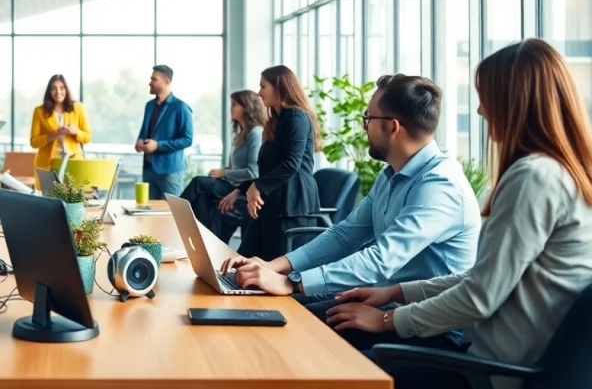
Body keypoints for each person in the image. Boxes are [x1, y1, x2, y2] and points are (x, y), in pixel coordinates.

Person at [325, 39, 592, 389]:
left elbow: (479, 297)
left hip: (489, 372)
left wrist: (386, 320)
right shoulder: (561, 173)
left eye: (486, 98)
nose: (479, 111)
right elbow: (483, 278)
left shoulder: (534, 178)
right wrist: (396, 293)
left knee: (335, 369)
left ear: (514, 102)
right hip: (493, 360)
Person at [221, 75, 481, 330]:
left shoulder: (439, 185)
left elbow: (381, 259)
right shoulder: (391, 175)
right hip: (382, 300)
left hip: (423, 323)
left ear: (392, 127)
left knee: (291, 324)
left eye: (368, 119)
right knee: (273, 309)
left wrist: (292, 282)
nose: (364, 127)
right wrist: (274, 266)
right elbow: (344, 235)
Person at [218, 65, 322, 260]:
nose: (259, 93)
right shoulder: (277, 120)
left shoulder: (296, 117)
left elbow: (291, 164)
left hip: (291, 205)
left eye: (263, 86)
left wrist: (257, 187)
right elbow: (270, 169)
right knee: (242, 261)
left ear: (279, 87)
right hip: (274, 201)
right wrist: (241, 189)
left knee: (263, 266)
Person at [180, 90, 267, 230]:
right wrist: (222, 171)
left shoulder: (255, 133)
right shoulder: (242, 134)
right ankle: (204, 237)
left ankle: (173, 215)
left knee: (198, 182)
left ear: (247, 107)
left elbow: (253, 172)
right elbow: (237, 167)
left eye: (234, 105)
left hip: (241, 188)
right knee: (202, 199)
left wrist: (224, 173)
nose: (231, 108)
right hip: (230, 183)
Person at [136, 65, 194, 200]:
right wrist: (140, 141)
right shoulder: (149, 105)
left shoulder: (181, 107)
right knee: (149, 210)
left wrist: (158, 145)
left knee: (172, 210)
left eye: (154, 79)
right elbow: (144, 131)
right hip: (149, 169)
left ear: (167, 82)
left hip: (170, 171)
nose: (150, 83)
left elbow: (187, 139)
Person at [29, 74, 91, 177]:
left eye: (62, 88)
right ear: (49, 91)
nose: (58, 92)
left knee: (73, 188)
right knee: (50, 188)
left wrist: (75, 132)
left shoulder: (78, 108)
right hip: (48, 164)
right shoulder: (39, 111)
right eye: (54, 88)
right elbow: (33, 142)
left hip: (73, 162)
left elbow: (87, 137)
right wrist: (54, 134)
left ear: (66, 90)